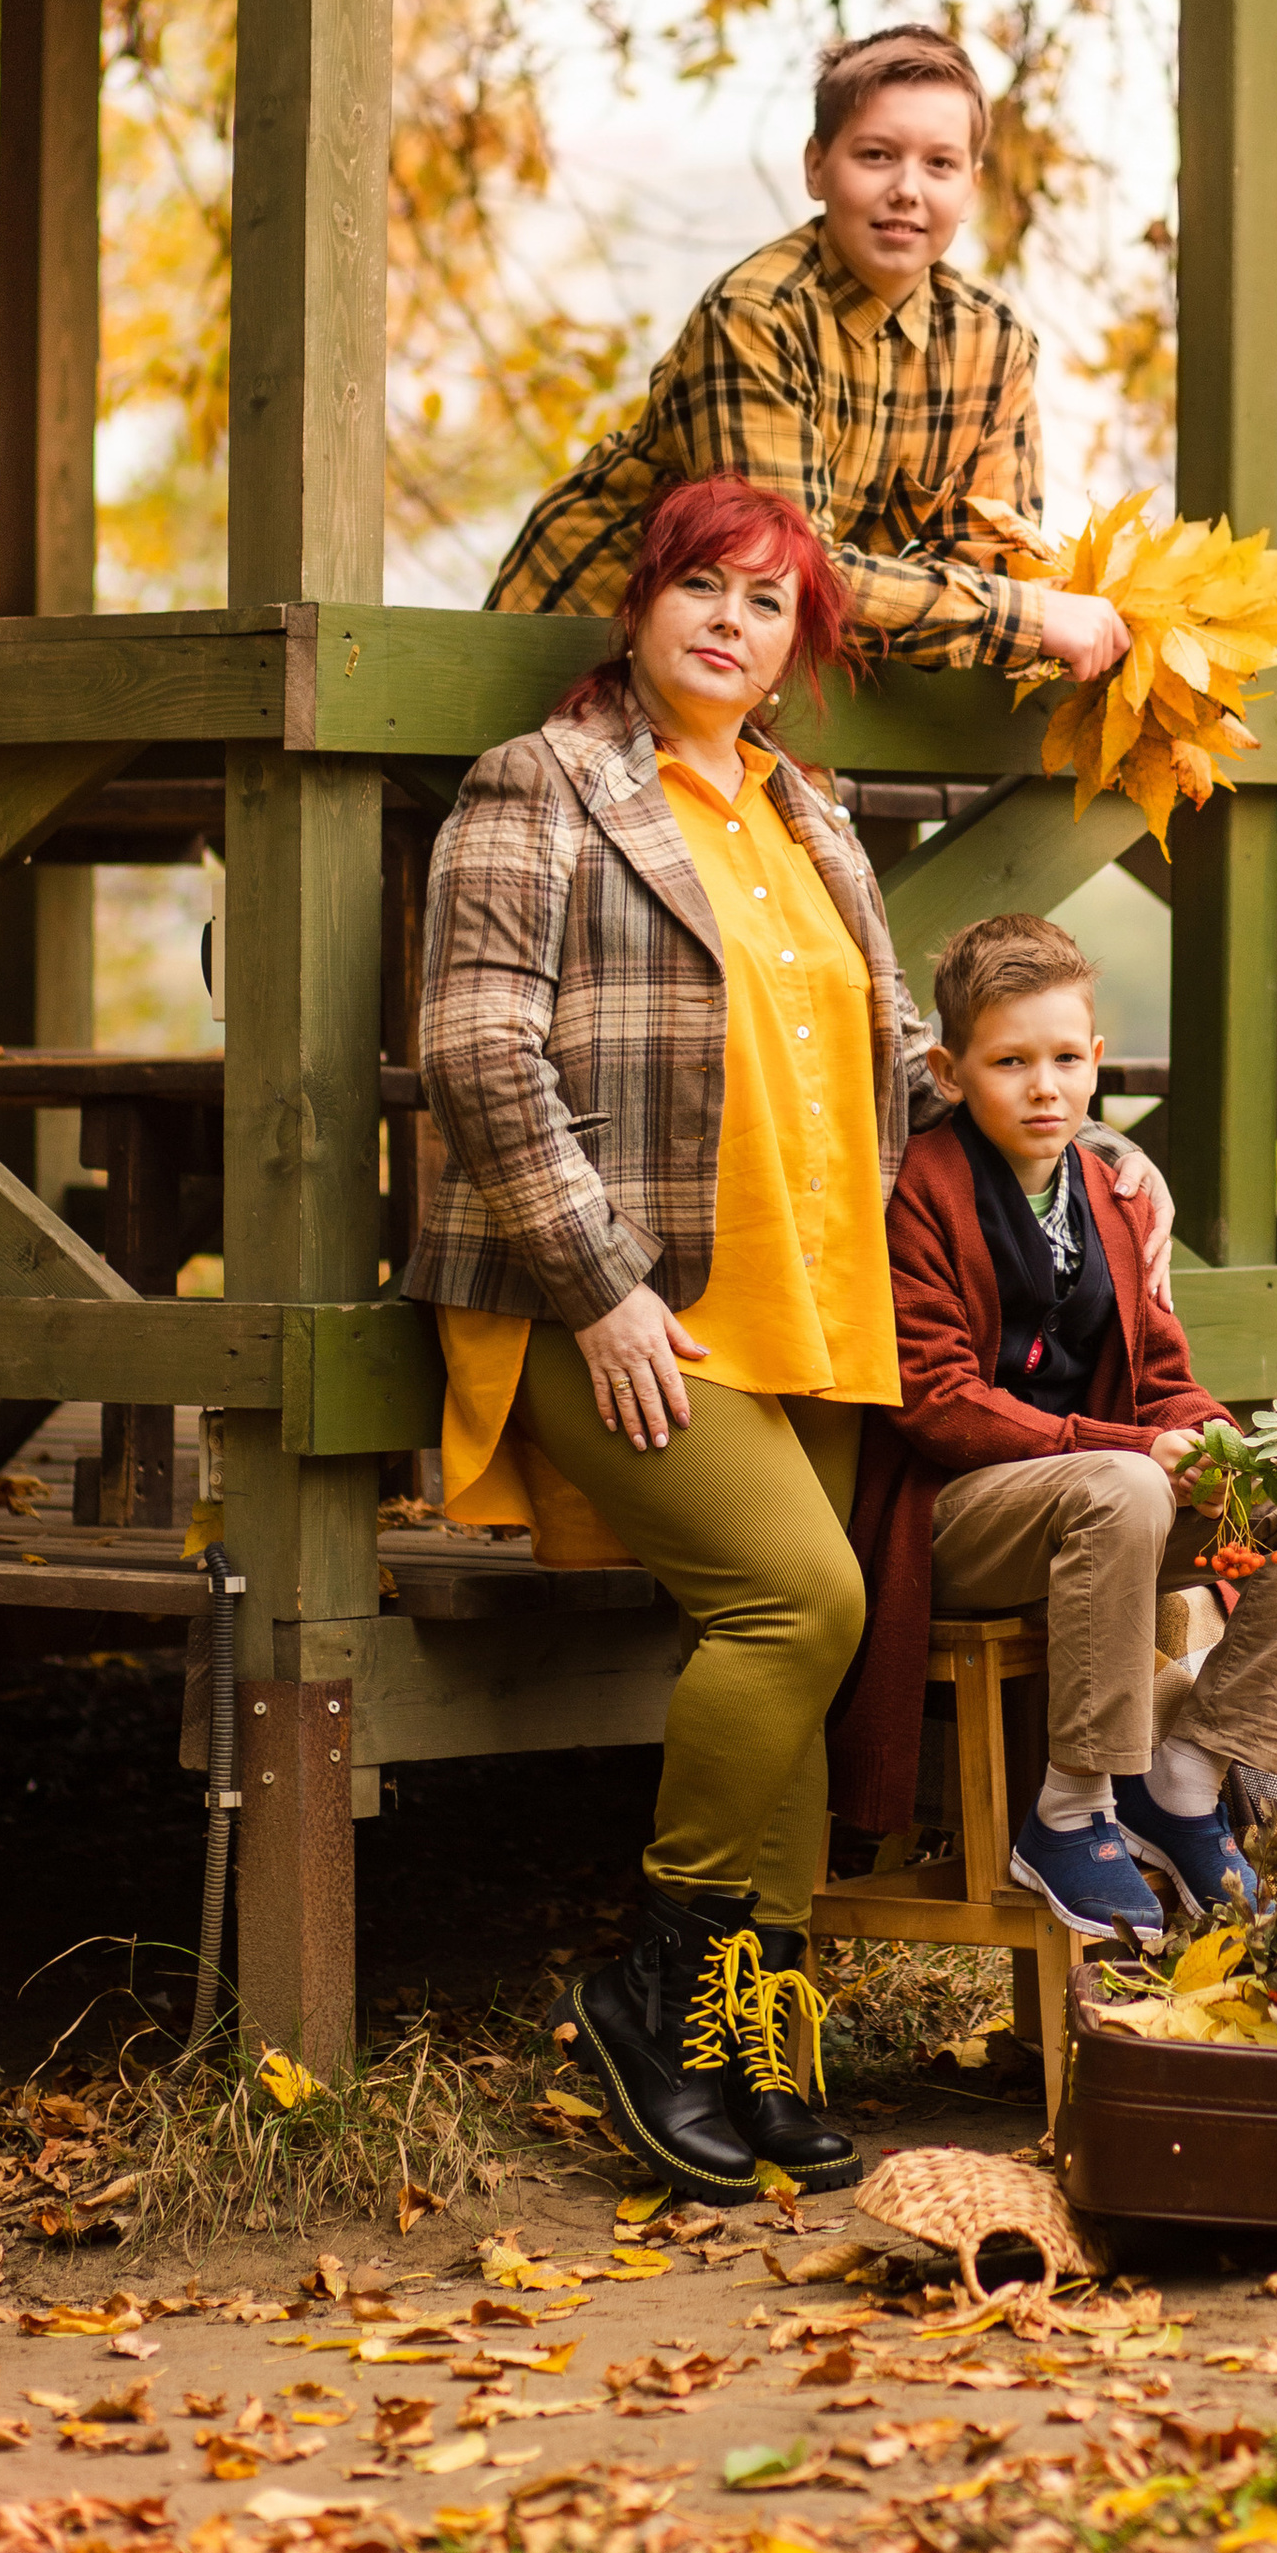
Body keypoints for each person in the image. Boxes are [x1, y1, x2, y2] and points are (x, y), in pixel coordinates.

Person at [402, 480, 1170, 2204]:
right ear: (643, 605)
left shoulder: (807, 813)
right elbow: (476, 1054)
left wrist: (1093, 1164)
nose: (728, 622)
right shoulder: (543, 787)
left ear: (795, 648)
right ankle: (655, 1993)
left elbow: (909, 1063)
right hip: (611, 1306)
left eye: (767, 602)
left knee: (807, 1646)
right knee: (799, 1604)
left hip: (807, 1309)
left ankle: (759, 2035)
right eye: (700, 585)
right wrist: (598, 1286)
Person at [834, 916, 1277, 1940]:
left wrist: (1222, 1446)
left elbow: (1164, 1379)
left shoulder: (1114, 1199)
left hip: (1104, 1504)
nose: (1044, 1087)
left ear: (1094, 1064)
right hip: (958, 1519)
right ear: (949, 1072)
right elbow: (935, 1403)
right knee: (1124, 1485)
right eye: (1009, 1062)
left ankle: (1186, 1771)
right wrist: (1129, 1447)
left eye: (1065, 1060)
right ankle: (1069, 1810)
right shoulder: (918, 1195)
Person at [484, 22, 1128, 686]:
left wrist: (1027, 615)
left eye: (940, 164)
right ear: (816, 166)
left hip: (743, 678)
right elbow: (781, 575)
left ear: (970, 188)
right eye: (876, 155)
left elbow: (992, 568)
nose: (908, 188)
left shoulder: (991, 346)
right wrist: (1025, 618)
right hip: (581, 648)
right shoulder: (758, 316)